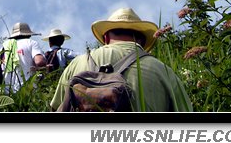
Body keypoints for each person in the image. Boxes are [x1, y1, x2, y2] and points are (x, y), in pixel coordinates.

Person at [50, 7, 193, 112]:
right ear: (142, 41)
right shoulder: (163, 71)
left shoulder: (77, 63)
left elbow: (55, 108)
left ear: (105, 38)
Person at [0, 22, 47, 93]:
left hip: (7, 92)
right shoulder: (31, 43)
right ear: (28, 34)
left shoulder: (4, 47)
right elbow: (39, 62)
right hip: (28, 89)